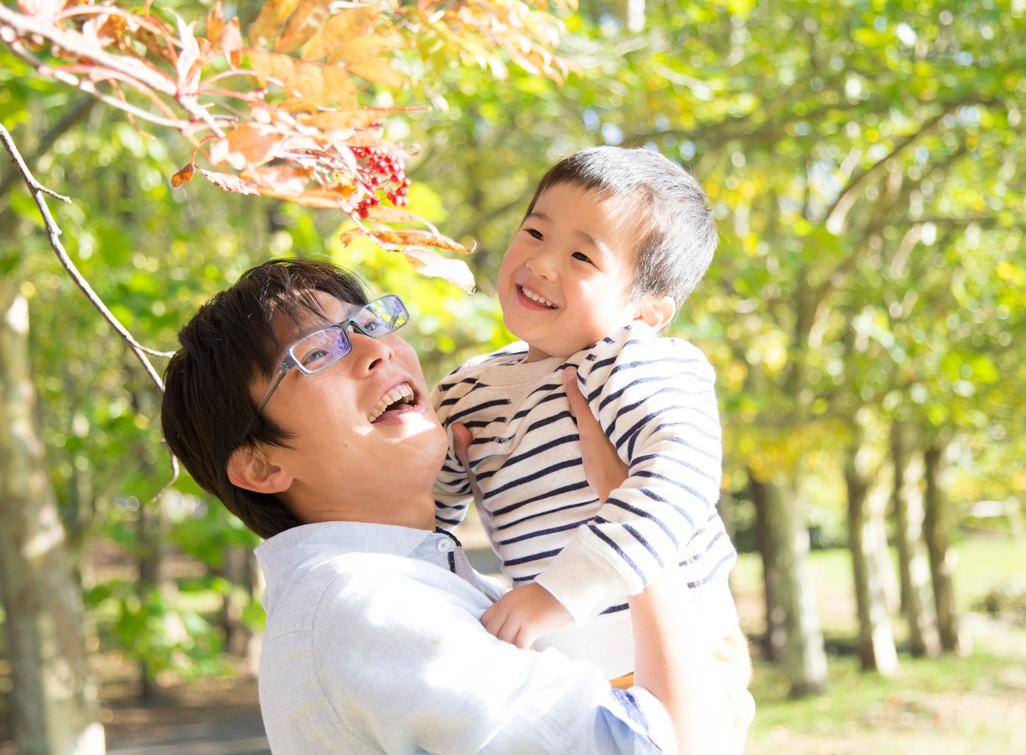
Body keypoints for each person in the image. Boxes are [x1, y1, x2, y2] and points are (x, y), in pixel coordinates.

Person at [160, 257, 734, 754]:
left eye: (369, 323)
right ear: (262, 466)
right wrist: (636, 517)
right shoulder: (363, 607)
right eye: (316, 351)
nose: (376, 350)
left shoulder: (412, 588)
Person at [431, 145, 754, 745]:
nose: (543, 263)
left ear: (646, 312)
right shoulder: (468, 392)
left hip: (686, 652)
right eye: (534, 232)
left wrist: (557, 594)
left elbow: (675, 482)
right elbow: (426, 517)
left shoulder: (639, 363)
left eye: (582, 255)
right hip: (563, 666)